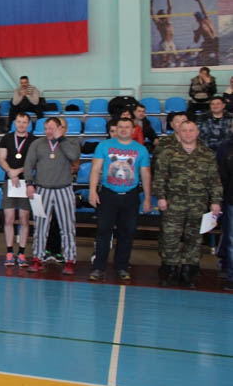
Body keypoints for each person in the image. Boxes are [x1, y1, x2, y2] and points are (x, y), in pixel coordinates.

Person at [153, 120, 222, 288]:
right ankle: (171, 270)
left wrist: (216, 202)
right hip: (173, 203)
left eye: (191, 130)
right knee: (170, 237)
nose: (188, 133)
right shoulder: (168, 153)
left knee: (194, 238)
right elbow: (160, 177)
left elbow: (214, 181)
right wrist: (160, 197)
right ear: (178, 132)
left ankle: (187, 272)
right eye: (184, 130)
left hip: (198, 204)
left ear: (197, 132)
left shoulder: (207, 154)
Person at [87, 118, 151, 283]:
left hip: (130, 196)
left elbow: (145, 174)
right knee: (103, 232)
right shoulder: (104, 146)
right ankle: (98, 267)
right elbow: (95, 169)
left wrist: (147, 198)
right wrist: (92, 191)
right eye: (120, 127)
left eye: (127, 127)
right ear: (116, 128)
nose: (123, 130)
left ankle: (122, 266)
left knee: (127, 233)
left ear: (133, 130)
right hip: (108, 195)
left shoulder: (141, 150)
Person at [23, 117, 81, 275]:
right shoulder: (37, 144)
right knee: (40, 227)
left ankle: (70, 260)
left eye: (51, 128)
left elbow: (73, 156)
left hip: (64, 189)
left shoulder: (71, 142)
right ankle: (37, 258)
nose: (48, 131)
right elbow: (28, 164)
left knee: (67, 227)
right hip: (42, 190)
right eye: (46, 128)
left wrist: (60, 139)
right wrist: (29, 183)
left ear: (60, 129)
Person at [0, 112, 37, 267]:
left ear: (28, 124)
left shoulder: (34, 140)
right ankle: (9, 252)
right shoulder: (7, 138)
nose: (21, 125)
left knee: (24, 218)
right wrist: (10, 172)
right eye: (19, 121)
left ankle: (21, 253)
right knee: (9, 218)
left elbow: (34, 162)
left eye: (24, 122)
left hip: (26, 182)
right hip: (9, 182)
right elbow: (1, 158)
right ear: (15, 122)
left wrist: (17, 172)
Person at [216, 137, 233, 290]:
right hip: (231, 200)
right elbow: (222, 175)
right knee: (232, 241)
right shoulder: (225, 147)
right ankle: (232, 276)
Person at [193, 0, 219, 66]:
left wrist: (195, 33)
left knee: (201, 54)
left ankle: (206, 64)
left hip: (210, 42)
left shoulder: (200, 28)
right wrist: (199, 1)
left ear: (196, 19)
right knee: (216, 54)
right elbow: (203, 10)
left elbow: (195, 41)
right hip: (215, 39)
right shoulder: (208, 20)